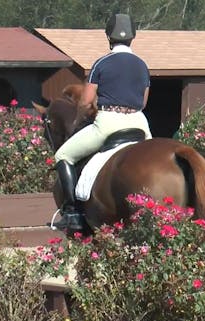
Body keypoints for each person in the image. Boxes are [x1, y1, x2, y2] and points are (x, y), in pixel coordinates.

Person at [52, 13, 153, 233]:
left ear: (109, 36)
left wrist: (80, 117)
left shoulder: (102, 63)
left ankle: (72, 214)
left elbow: (87, 101)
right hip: (139, 123)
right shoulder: (142, 65)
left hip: (109, 122)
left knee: (63, 155)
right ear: (132, 38)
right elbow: (143, 102)